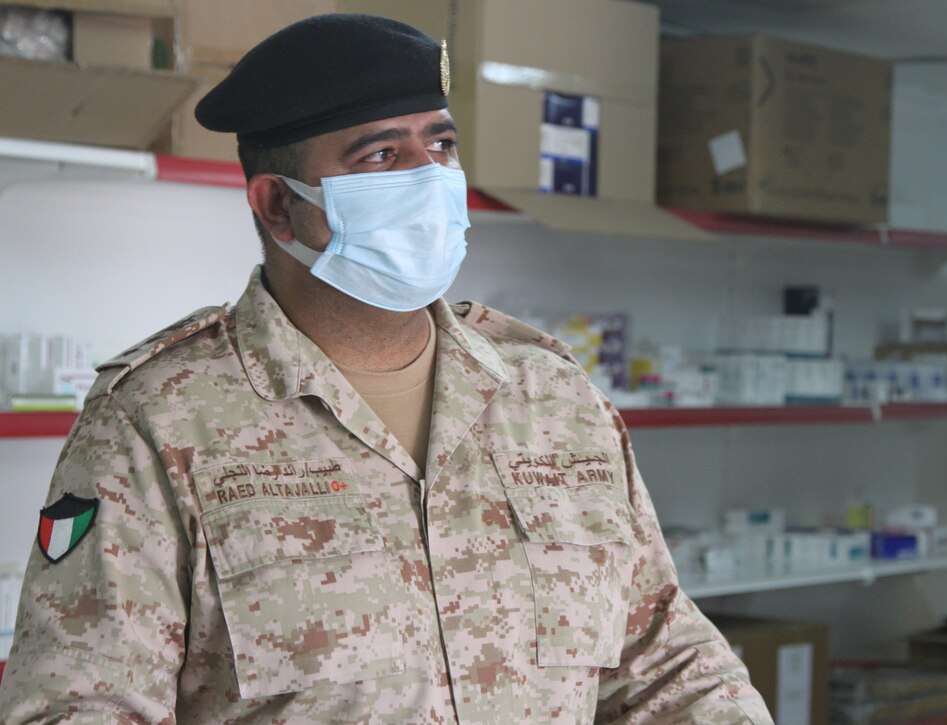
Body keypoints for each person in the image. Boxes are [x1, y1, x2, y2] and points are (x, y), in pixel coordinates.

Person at [0, 13, 771, 724]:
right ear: (277, 206)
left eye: (441, 145)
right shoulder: (158, 420)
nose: (430, 177)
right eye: (381, 155)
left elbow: (666, 659)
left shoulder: (551, 396)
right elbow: (79, 704)